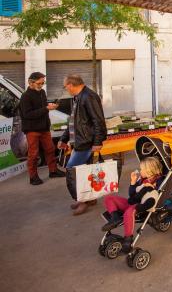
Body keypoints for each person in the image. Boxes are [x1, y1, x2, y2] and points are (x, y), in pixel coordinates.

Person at [57, 75, 107, 216]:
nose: (65, 89)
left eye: (65, 86)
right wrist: (64, 138)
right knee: (85, 172)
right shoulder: (79, 97)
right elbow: (73, 122)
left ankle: (82, 201)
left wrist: (97, 142)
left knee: (72, 171)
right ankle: (89, 199)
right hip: (80, 141)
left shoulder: (89, 97)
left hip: (86, 142)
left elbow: (98, 121)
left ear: (71, 85)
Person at [102, 156, 163, 253]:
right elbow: (131, 194)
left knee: (129, 212)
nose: (140, 171)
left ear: (149, 170)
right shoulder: (141, 179)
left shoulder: (159, 180)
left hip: (143, 205)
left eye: (141, 169)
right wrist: (133, 182)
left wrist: (152, 187)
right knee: (109, 198)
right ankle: (115, 218)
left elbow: (157, 195)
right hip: (133, 201)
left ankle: (128, 238)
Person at [19, 72, 66, 185]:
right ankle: (33, 177)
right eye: (39, 83)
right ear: (31, 82)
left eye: (43, 83)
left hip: (44, 128)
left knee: (50, 149)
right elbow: (27, 114)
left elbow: (44, 108)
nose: (41, 85)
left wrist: (51, 106)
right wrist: (46, 108)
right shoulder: (25, 96)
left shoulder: (42, 92)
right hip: (32, 130)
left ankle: (53, 171)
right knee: (33, 154)